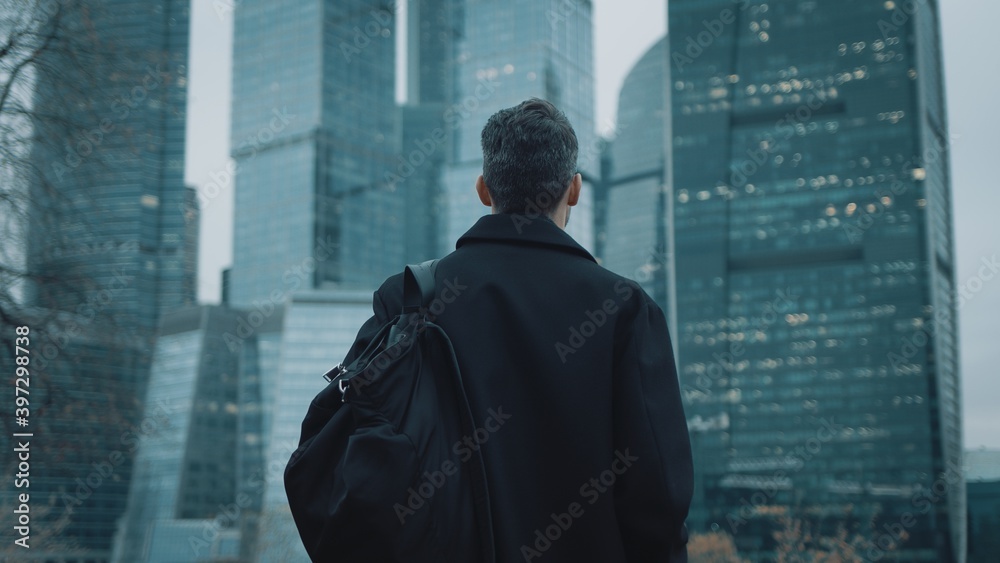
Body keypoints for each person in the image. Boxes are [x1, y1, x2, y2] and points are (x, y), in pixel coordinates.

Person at [341, 98, 693, 562]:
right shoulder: (625, 310)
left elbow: (364, 466)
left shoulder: (408, 300)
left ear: (484, 189)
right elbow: (659, 498)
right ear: (575, 190)